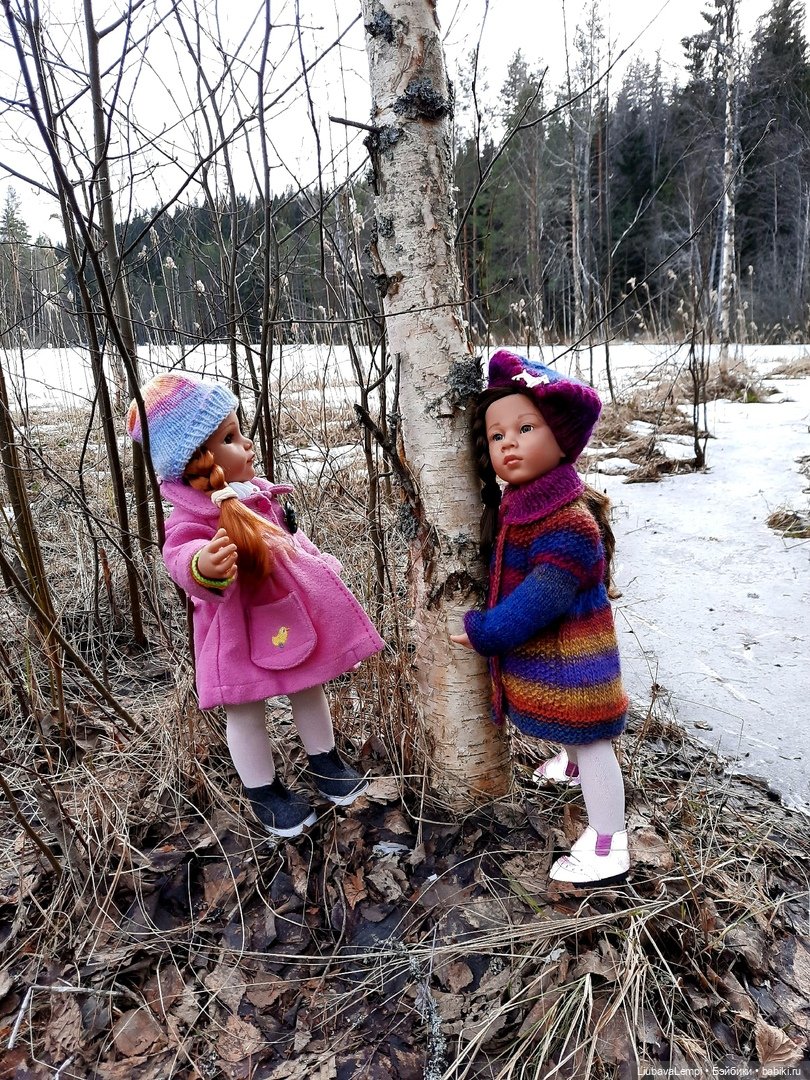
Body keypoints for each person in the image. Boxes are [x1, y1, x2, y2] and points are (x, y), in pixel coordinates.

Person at [127, 373, 384, 838]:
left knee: (308, 686)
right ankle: (264, 793)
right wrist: (203, 565)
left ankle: (325, 763)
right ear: (196, 459)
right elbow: (179, 556)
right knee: (245, 708)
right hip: (238, 629)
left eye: (239, 431)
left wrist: (315, 561)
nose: (245, 444)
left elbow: (285, 537)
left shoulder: (255, 494)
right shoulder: (192, 514)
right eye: (229, 437)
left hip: (288, 614)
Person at [450, 349, 630, 886]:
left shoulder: (569, 522)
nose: (509, 443)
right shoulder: (526, 502)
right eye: (497, 435)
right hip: (559, 662)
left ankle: (608, 841)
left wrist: (488, 631)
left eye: (526, 428)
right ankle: (570, 762)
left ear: (560, 437)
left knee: (593, 738)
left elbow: (543, 596)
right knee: (575, 730)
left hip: (577, 664)